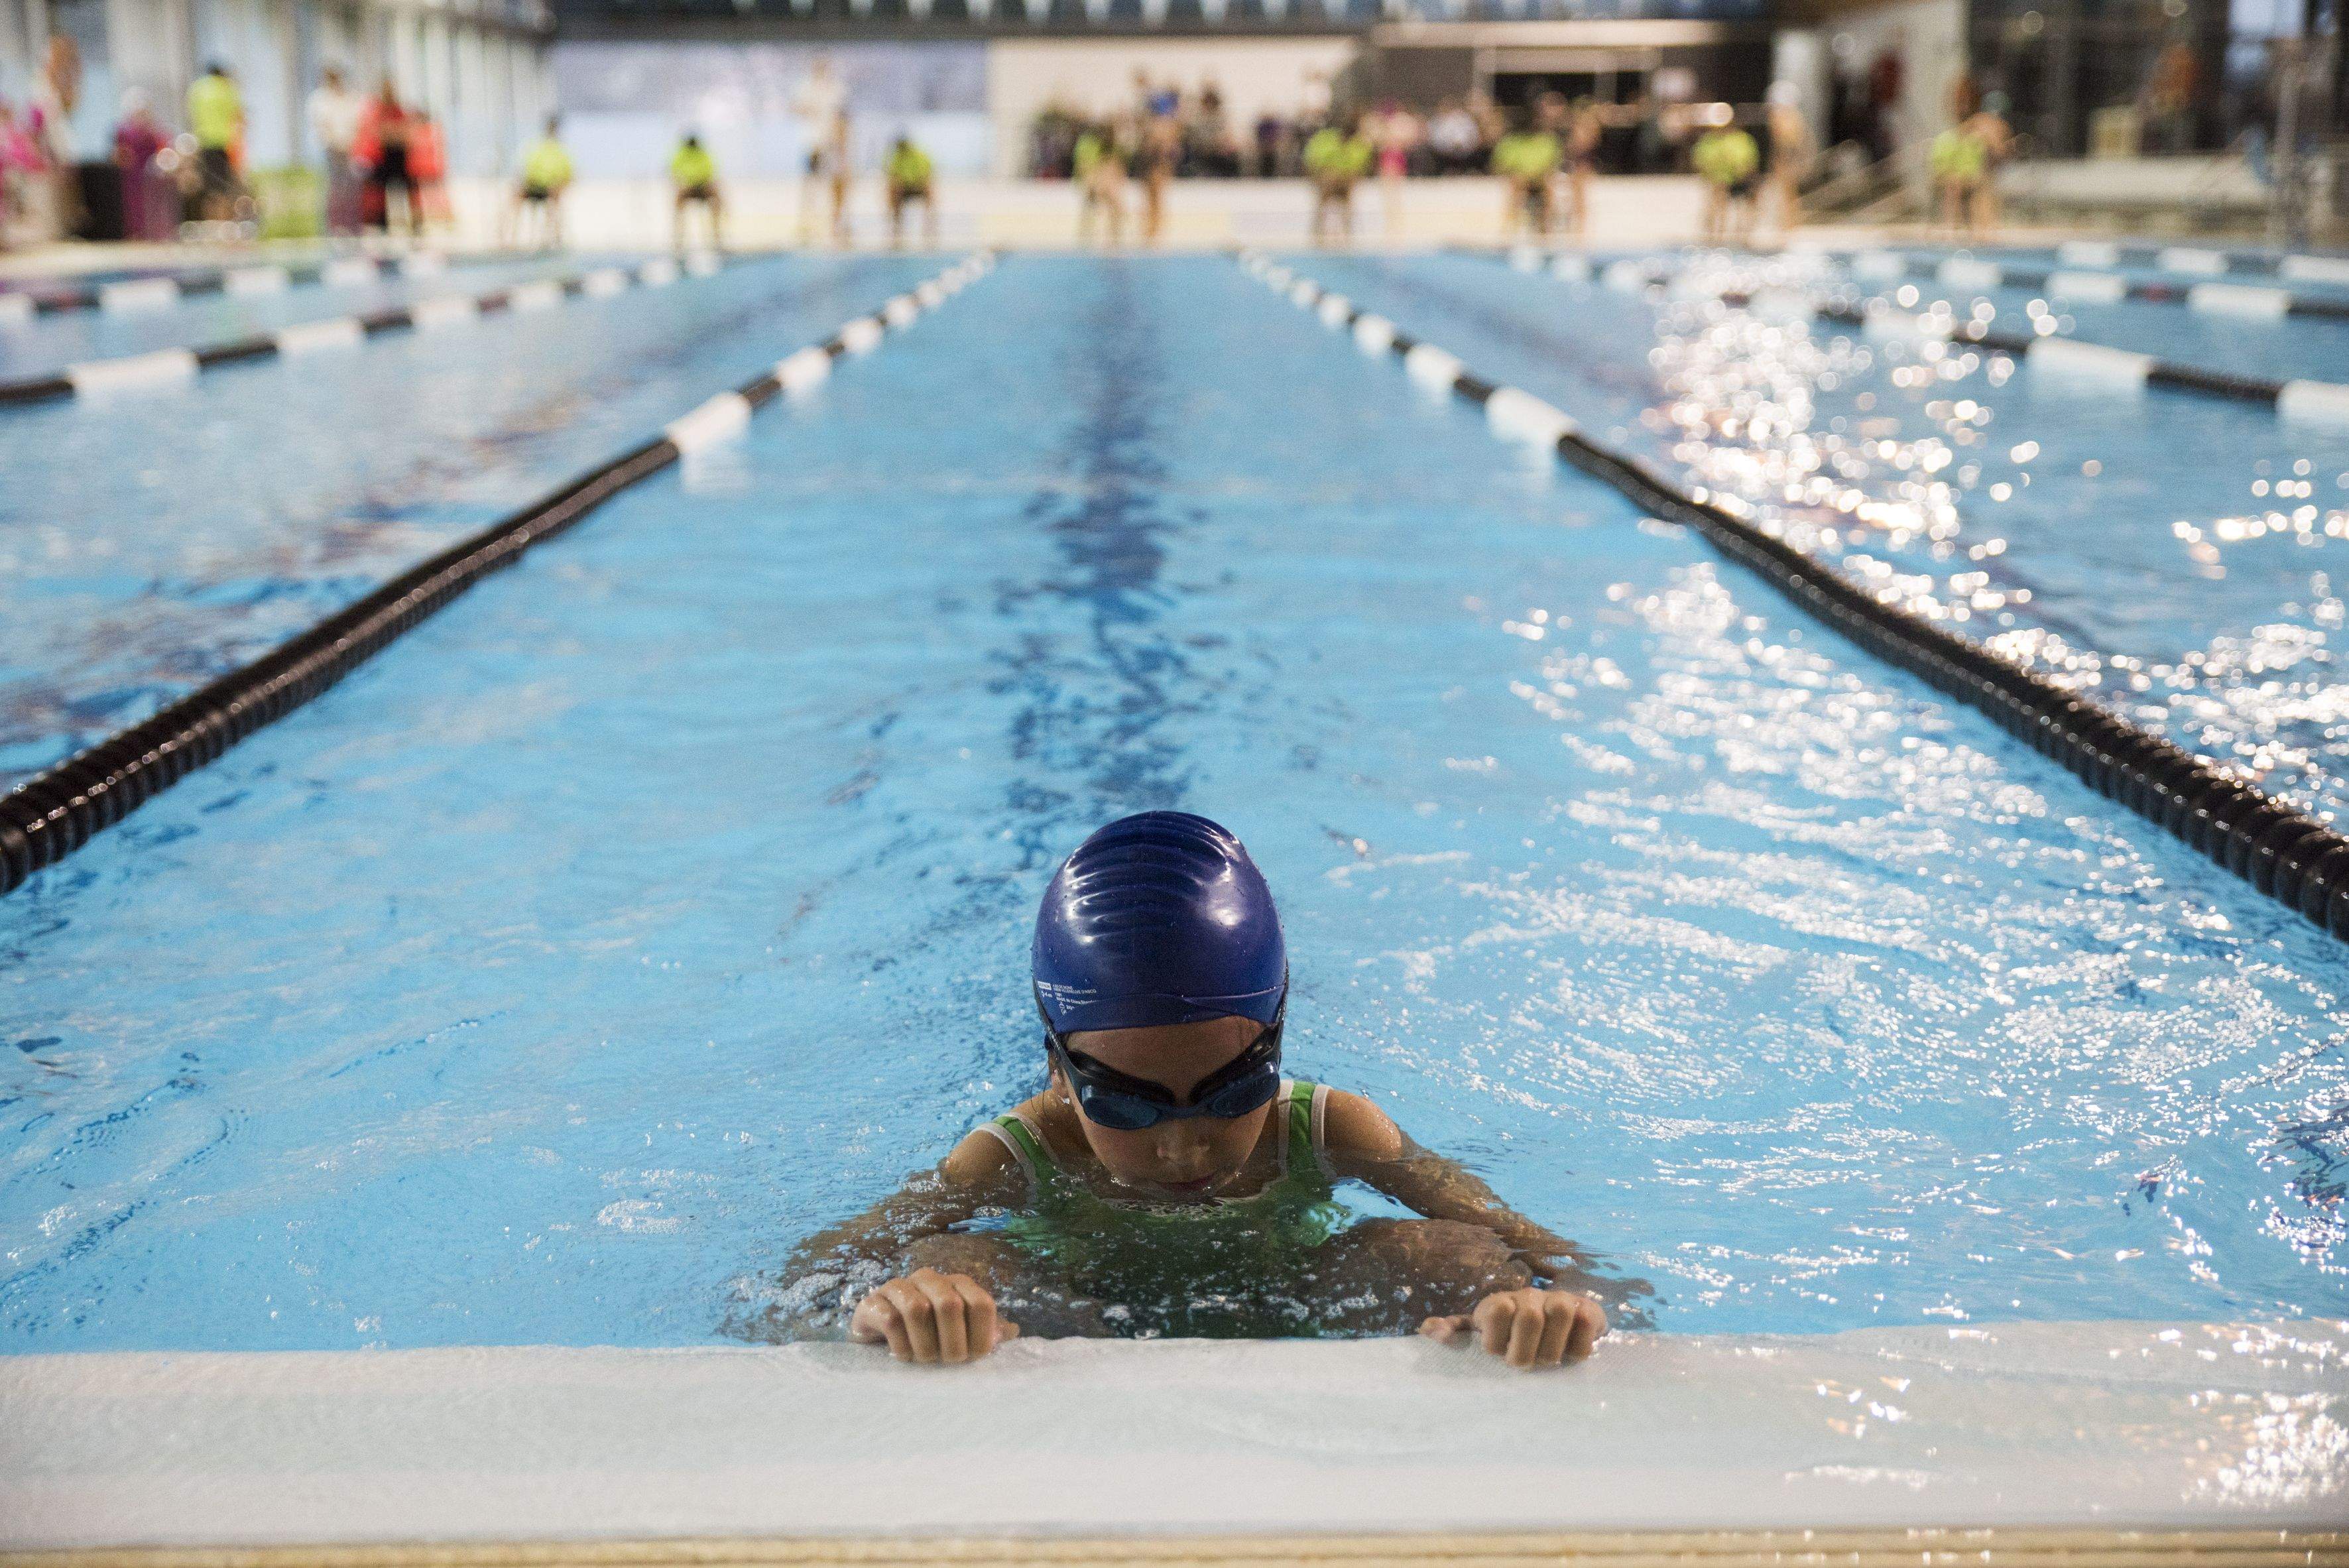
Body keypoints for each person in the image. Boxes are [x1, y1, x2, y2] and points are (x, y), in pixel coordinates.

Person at [770, 812, 1620, 1367]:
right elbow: (798, 1285)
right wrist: (878, 1313)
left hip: (1303, 1305)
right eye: (1128, 1103)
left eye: (1230, 1087)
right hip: (1080, 1332)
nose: (1184, 1144)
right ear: (1060, 1070)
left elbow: (1566, 1261)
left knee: (1456, 1252)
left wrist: (1545, 1313)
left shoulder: (1329, 1129)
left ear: (1277, 1042)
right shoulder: (1016, 1156)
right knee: (951, 1265)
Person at [355, 80, 420, 237]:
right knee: (380, 191)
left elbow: (406, 133)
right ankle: (381, 224)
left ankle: (416, 223)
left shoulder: (399, 111)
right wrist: (392, 134)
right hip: (384, 157)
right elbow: (377, 132)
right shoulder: (378, 111)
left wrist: (392, 134)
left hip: (399, 157)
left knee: (409, 188)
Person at [794, 56, 846, 245]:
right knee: (810, 182)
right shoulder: (806, 88)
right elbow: (797, 108)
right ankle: (807, 220)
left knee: (836, 183)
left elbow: (842, 117)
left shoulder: (836, 88)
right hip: (813, 143)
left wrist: (841, 145)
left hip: (831, 142)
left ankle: (836, 221)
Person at [308, 66, 363, 237]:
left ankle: (351, 225)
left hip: (349, 148)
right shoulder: (320, 99)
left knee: (351, 187)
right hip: (331, 149)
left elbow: (356, 122)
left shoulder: (349, 98)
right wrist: (335, 142)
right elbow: (322, 126)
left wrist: (350, 143)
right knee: (334, 187)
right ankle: (333, 226)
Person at [1691, 105, 1758, 245]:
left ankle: (1742, 237)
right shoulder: (1707, 142)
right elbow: (1699, 163)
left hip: (1740, 180)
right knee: (1717, 202)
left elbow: (1750, 163)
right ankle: (1716, 236)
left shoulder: (1742, 139)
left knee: (1744, 207)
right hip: (1718, 181)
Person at [1302, 111, 1372, 246]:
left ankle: (1347, 232)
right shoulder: (1326, 139)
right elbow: (1311, 161)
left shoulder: (1360, 144)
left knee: (1347, 192)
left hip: (1346, 182)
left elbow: (1360, 170)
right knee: (1329, 180)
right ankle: (1319, 233)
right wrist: (1323, 175)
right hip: (1326, 181)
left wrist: (1346, 177)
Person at [186, 62, 244, 224]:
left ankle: (211, 222)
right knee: (224, 186)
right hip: (224, 142)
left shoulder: (197, 89)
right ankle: (224, 222)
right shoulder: (227, 88)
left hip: (204, 141)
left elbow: (192, 115)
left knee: (208, 186)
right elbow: (237, 114)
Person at [1490, 109, 1560, 239]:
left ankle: (1546, 228)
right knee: (1517, 181)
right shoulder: (1511, 142)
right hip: (1520, 180)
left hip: (1540, 180)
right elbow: (1500, 166)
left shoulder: (1547, 140)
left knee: (1549, 185)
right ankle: (1512, 226)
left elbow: (1551, 165)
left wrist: (1538, 176)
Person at [112, 91, 172, 242]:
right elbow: (120, 154)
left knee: (151, 207)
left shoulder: (152, 131)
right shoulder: (125, 131)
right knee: (133, 207)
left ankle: (151, 233)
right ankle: (135, 234)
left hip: (149, 176)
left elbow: (163, 147)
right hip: (132, 176)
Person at [1762, 82, 1813, 239]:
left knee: (1788, 194)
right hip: (1787, 159)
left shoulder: (1786, 119)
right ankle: (1788, 225)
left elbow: (1790, 144)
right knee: (1787, 195)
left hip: (1787, 160)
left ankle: (1789, 226)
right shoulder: (1791, 119)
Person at [512, 115, 572, 249]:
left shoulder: (561, 151)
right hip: (533, 186)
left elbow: (569, 175)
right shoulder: (536, 147)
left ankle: (553, 237)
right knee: (514, 198)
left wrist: (559, 186)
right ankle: (511, 239)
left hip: (550, 189)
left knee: (554, 199)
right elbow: (525, 170)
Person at [1929, 115, 1987, 239]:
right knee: (1954, 186)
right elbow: (1940, 166)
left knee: (1984, 187)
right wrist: (1954, 176)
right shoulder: (1945, 139)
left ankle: (1983, 228)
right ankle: (1951, 225)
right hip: (1949, 178)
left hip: (1968, 178)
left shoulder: (1975, 142)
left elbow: (1978, 165)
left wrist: (1968, 176)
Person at [1074, 118, 1126, 246]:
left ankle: (1113, 237)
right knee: (1095, 207)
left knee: (1113, 209)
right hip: (1097, 183)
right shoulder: (1090, 145)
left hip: (1103, 183)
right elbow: (1084, 167)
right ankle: (1088, 236)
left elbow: (1118, 169)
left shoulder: (1113, 149)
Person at [671, 131, 722, 251]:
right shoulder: (681, 154)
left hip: (703, 186)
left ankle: (717, 236)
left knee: (718, 199)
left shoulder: (703, 154)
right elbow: (673, 172)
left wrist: (706, 183)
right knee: (678, 201)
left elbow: (711, 173)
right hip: (687, 187)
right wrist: (682, 183)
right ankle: (679, 239)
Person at [883, 132, 935, 249]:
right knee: (893, 190)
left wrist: (917, 183)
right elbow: (893, 176)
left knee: (929, 188)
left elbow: (926, 175)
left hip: (918, 186)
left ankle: (929, 221)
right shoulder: (897, 157)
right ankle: (896, 221)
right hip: (904, 189)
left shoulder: (920, 156)